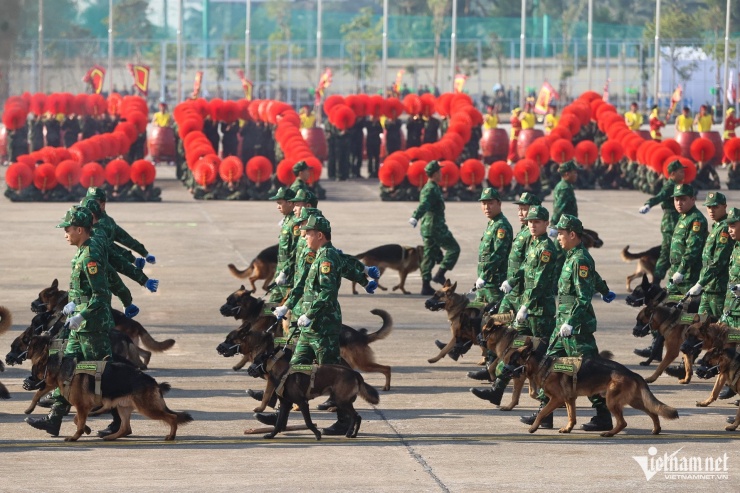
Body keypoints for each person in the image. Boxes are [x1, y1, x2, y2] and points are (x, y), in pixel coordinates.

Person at [26, 207, 113, 436]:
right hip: (78, 326)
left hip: (92, 326)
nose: (65, 233)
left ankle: (118, 419)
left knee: (103, 371)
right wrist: (73, 303)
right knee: (67, 370)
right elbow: (83, 290)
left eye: (67, 229)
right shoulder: (81, 252)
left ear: (80, 229)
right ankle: (55, 419)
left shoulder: (91, 255)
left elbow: (101, 295)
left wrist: (82, 314)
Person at [532, 215, 613, 431]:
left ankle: (604, 415)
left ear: (572, 234)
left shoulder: (580, 259)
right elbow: (593, 278)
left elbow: (583, 296)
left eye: (560, 233)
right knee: (549, 364)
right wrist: (605, 290)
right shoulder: (572, 256)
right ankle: (544, 413)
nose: (558, 237)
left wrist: (570, 322)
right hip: (563, 326)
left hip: (576, 329)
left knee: (588, 371)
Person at [409, 161, 460, 295]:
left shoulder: (431, 187)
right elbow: (424, 204)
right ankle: (439, 274)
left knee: (429, 255)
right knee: (453, 249)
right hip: (435, 226)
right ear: (435, 173)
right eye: (440, 172)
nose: (441, 174)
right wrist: (415, 216)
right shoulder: (431, 188)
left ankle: (425, 285)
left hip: (429, 226)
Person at [638, 160, 686, 285]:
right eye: (681, 171)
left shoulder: (678, 185)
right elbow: (660, 196)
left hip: (677, 223)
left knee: (677, 251)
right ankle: (656, 282)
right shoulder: (669, 186)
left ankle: (672, 280)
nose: (683, 173)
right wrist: (648, 204)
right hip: (670, 223)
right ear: (673, 173)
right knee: (667, 253)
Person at [686, 192, 734, 317]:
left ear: (724, 206)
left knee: (720, 329)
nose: (711, 210)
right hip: (708, 287)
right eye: (709, 207)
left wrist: (700, 283)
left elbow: (719, 261)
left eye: (715, 207)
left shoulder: (725, 228)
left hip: (718, 288)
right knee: (700, 327)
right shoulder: (717, 226)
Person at [665, 183, 708, 296]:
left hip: (688, 276)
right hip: (676, 273)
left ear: (693, 199)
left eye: (683, 199)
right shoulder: (684, 216)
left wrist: (681, 271)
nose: (679, 203)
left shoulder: (696, 219)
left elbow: (693, 249)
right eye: (676, 199)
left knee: (686, 310)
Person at [473, 188, 513, 305]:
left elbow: (498, 253)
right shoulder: (492, 223)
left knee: (495, 319)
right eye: (484, 204)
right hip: (485, 282)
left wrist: (484, 276)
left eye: (490, 203)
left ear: (499, 203)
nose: (486, 207)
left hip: (495, 283)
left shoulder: (502, 226)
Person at [268, 187, 298, 304]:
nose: (278, 206)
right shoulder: (287, 220)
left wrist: (284, 272)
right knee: (270, 307)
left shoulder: (295, 223)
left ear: (290, 203)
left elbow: (296, 250)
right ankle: (267, 322)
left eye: (280, 203)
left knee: (289, 308)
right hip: (280, 272)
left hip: (289, 275)